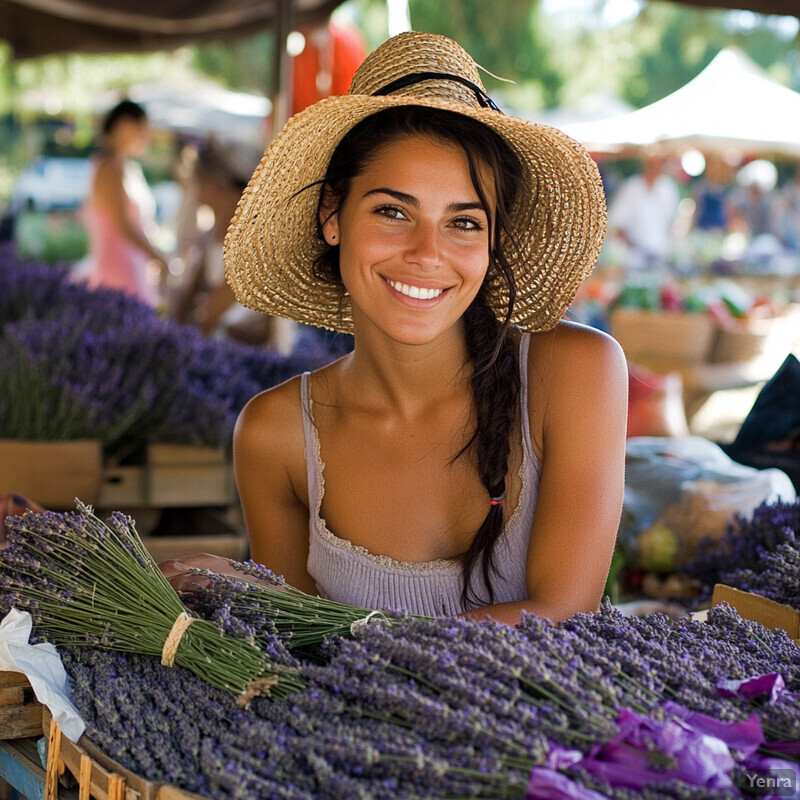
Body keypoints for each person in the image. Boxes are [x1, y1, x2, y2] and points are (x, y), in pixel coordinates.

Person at [161, 31, 628, 625]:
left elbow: (560, 616)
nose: (427, 253)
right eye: (392, 211)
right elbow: (293, 664)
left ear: (494, 241)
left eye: (463, 222)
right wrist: (257, 607)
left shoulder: (574, 375)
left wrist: (290, 607)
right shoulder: (276, 436)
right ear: (332, 215)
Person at [172, 137, 274, 345]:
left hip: (246, 351)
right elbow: (192, 292)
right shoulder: (214, 231)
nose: (197, 192)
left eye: (200, 181)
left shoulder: (252, 237)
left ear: (218, 185)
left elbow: (216, 309)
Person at [82, 99, 167, 307]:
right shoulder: (110, 169)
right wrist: (158, 258)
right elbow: (123, 226)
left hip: (130, 265)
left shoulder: (121, 166)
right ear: (125, 126)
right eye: (143, 128)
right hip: (120, 268)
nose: (146, 136)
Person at [607, 151, 680, 274]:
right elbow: (618, 223)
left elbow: (670, 221)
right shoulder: (631, 188)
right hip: (633, 259)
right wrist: (636, 247)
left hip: (659, 255)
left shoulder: (668, 188)